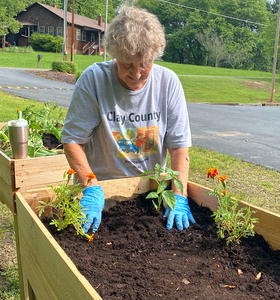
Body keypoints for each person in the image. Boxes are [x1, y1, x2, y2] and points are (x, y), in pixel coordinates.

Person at [61, 4, 196, 234]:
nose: (136, 74)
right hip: (100, 196)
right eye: (127, 64)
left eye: (144, 64)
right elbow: (72, 140)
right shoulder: (94, 80)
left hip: (149, 196)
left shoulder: (168, 83)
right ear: (114, 55)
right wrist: (91, 188)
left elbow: (179, 148)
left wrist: (178, 196)